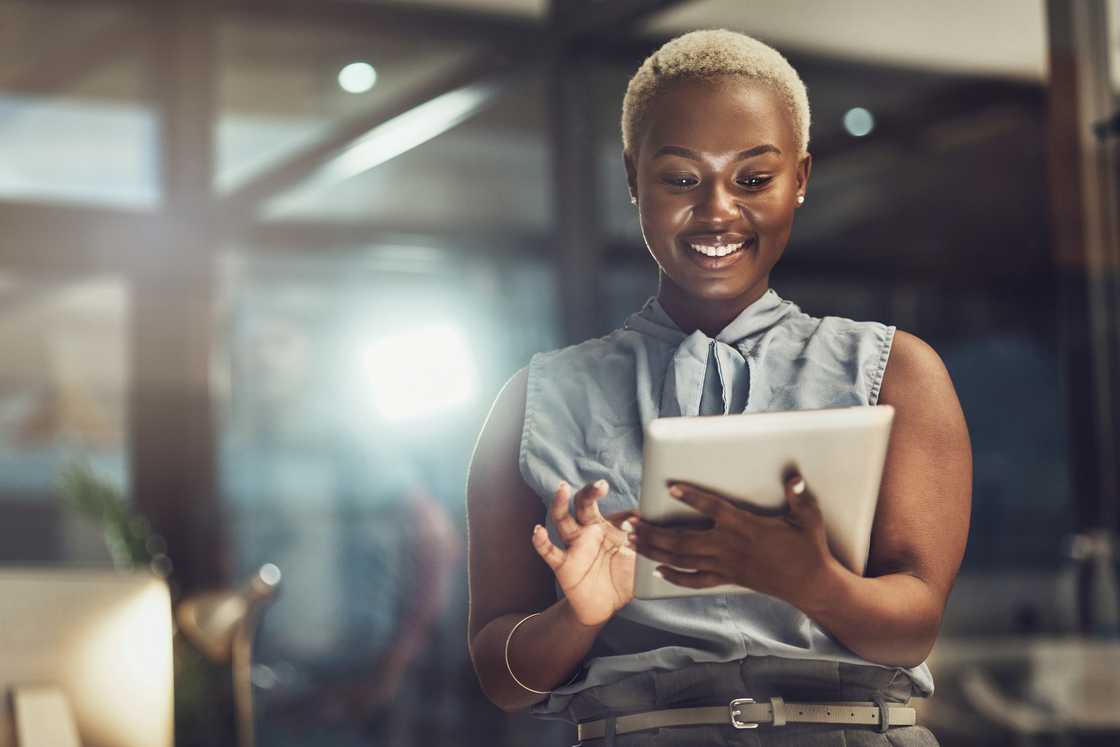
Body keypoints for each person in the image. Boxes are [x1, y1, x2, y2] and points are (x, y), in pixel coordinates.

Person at [467, 29, 971, 746]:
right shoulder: (533, 399)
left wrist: (815, 581)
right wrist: (578, 614)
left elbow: (913, 626)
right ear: (633, 177)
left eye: (753, 179)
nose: (716, 211)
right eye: (680, 178)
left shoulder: (899, 372)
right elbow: (500, 678)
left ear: (800, 178)